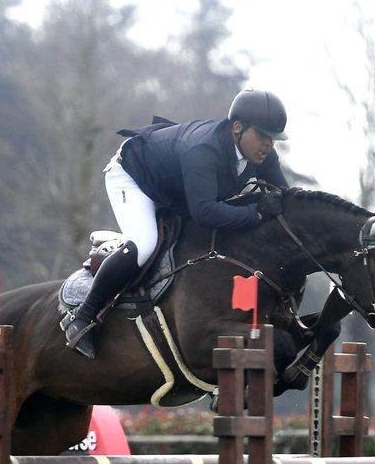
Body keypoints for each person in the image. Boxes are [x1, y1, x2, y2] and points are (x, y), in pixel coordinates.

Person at [62, 89, 291, 358]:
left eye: (273, 139)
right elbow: (204, 212)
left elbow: (285, 198)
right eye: (262, 136)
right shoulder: (204, 150)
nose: (268, 145)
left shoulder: (263, 156)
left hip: (176, 191)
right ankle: (82, 317)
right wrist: (256, 214)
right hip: (134, 177)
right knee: (145, 245)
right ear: (237, 128)